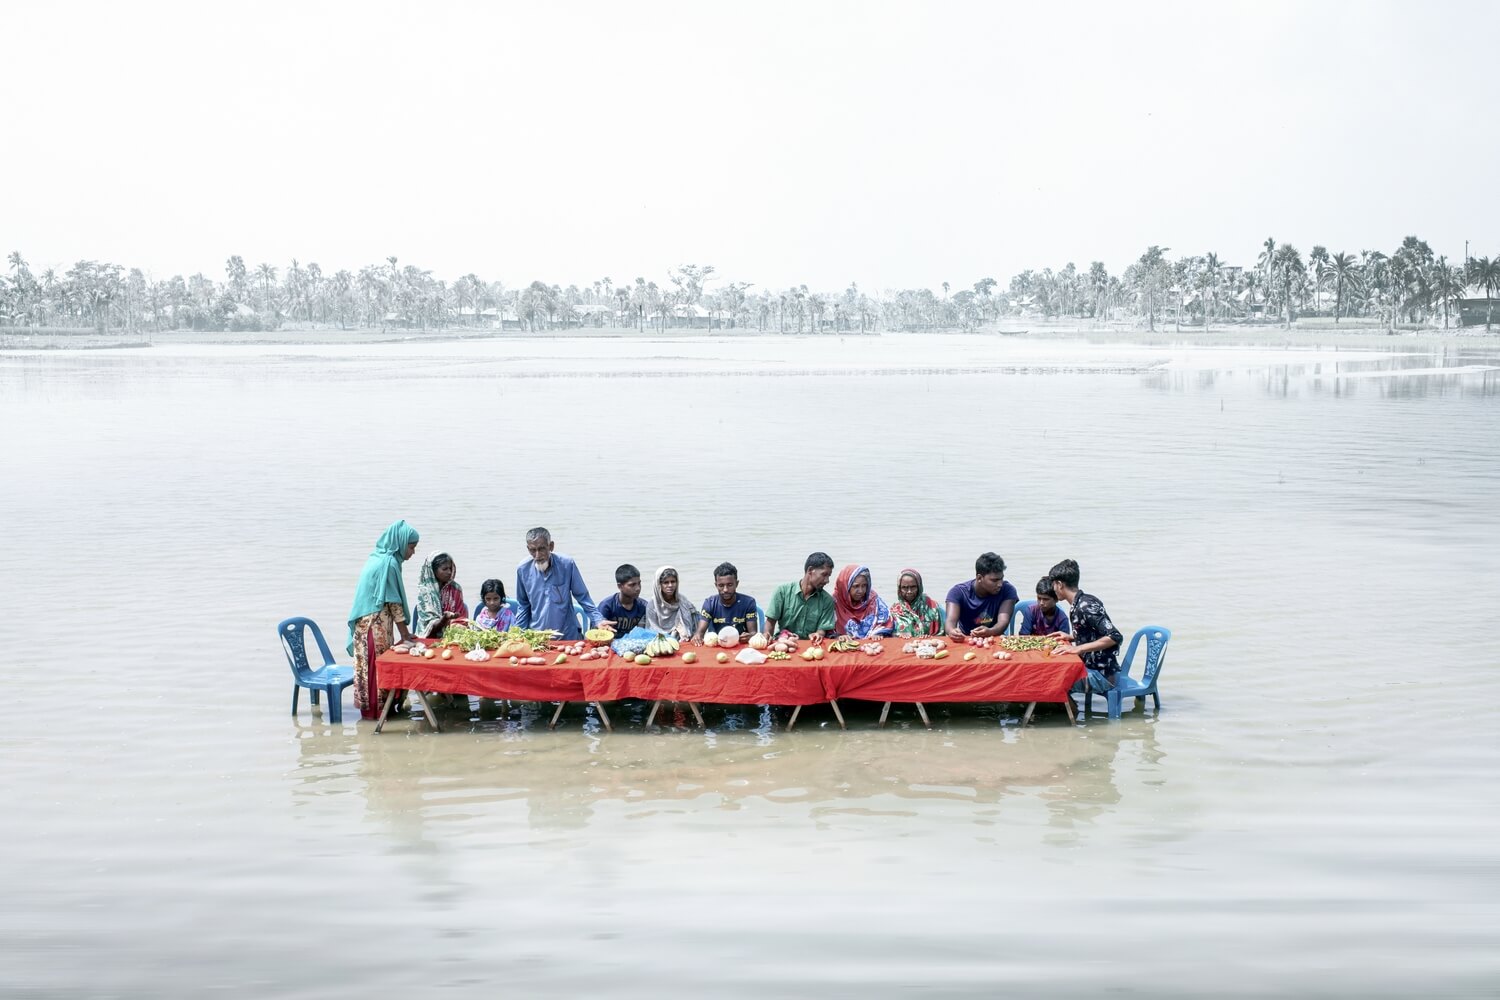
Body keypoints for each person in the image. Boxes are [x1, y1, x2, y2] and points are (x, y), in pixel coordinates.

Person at [347, 519, 420, 720]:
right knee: (375, 668)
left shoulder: (378, 559)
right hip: (373, 625)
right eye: (411, 547)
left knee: (371, 667)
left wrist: (404, 634)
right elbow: (394, 603)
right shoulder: (388, 564)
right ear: (400, 543)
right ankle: (377, 714)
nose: (413, 552)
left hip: (370, 624)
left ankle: (377, 713)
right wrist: (406, 636)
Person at [1046, 558, 1123, 698]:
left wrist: (1077, 648)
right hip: (1089, 668)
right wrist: (1071, 637)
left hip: (1102, 677)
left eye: (1053, 585)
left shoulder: (1085, 606)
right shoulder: (1079, 602)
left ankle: (1071, 716)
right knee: (1050, 673)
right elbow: (1095, 632)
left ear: (1059, 584)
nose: (1053, 589)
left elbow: (1114, 636)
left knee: (1050, 680)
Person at [514, 527, 606, 640]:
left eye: (542, 549)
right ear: (528, 549)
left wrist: (598, 620)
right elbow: (523, 604)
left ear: (551, 546)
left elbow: (583, 597)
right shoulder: (523, 569)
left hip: (567, 635)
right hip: (538, 637)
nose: (537, 555)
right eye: (533, 550)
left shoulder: (567, 564)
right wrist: (517, 633)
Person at [945, 552, 1019, 640]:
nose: (1000, 584)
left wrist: (990, 631)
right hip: (965, 638)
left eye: (1001, 578)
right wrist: (952, 632)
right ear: (979, 578)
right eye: (994, 580)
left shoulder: (1008, 590)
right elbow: (950, 622)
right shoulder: (958, 592)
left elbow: (1003, 622)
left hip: (994, 638)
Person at [764, 552, 836, 640]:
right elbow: (770, 622)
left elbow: (822, 629)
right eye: (824, 574)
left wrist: (817, 635)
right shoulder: (782, 591)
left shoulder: (827, 600)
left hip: (811, 644)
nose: (827, 580)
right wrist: (767, 637)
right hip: (784, 641)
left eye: (829, 576)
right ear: (810, 570)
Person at [693, 561, 760, 643]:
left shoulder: (748, 603)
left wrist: (749, 637)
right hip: (716, 646)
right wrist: (697, 637)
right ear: (716, 585)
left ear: (737, 584)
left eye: (730, 585)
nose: (725, 590)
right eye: (721, 585)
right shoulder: (710, 603)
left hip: (740, 645)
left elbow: (753, 633)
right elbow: (700, 633)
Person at [412, 552, 467, 638]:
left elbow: (461, 616)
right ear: (433, 570)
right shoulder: (425, 591)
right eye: (444, 569)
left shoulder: (456, 589)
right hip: (428, 636)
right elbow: (429, 625)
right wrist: (444, 619)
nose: (449, 572)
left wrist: (456, 624)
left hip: (452, 635)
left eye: (450, 568)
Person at [831, 564, 893, 638]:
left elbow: (886, 622)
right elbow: (827, 630)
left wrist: (878, 633)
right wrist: (838, 636)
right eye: (856, 586)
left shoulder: (873, 600)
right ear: (845, 586)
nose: (860, 591)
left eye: (864, 586)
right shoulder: (834, 603)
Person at [642, 565, 698, 640]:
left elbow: (692, 625)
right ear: (659, 585)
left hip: (683, 640)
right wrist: (669, 638)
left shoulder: (683, 601)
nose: (670, 585)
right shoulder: (653, 605)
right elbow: (652, 629)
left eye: (673, 582)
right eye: (666, 582)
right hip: (660, 641)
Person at [889, 568, 944, 638]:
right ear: (899, 589)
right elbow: (888, 634)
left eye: (913, 587)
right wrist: (899, 635)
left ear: (919, 587)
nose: (909, 591)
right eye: (904, 587)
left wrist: (929, 638)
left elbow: (943, 632)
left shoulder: (933, 607)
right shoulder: (893, 611)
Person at [597, 564, 649, 635]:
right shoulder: (607, 606)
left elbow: (644, 633)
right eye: (632, 585)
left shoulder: (644, 606)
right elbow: (596, 632)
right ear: (620, 586)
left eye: (639, 583)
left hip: (633, 643)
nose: (638, 588)